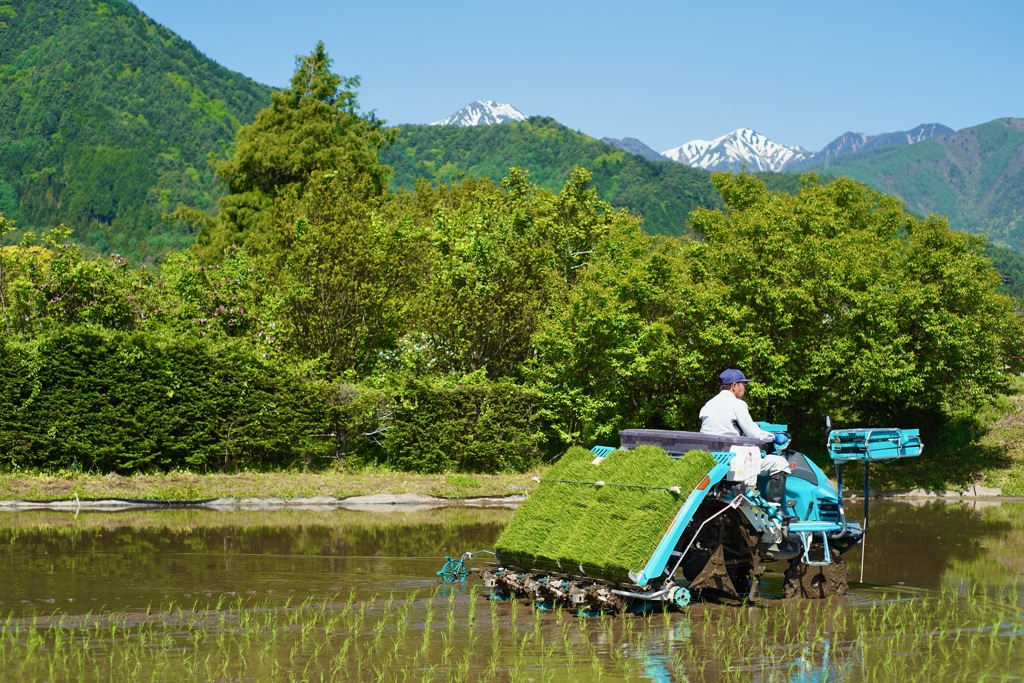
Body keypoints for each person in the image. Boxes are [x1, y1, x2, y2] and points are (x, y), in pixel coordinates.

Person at [699, 368, 791, 503]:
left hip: (713, 458)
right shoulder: (737, 404)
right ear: (734, 386)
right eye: (743, 385)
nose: (745, 389)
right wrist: (775, 437)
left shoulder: (708, 405)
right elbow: (755, 434)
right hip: (733, 460)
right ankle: (777, 511)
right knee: (780, 463)